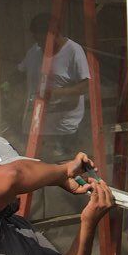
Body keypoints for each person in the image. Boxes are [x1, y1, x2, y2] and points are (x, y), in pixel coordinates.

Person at [18, 14, 91, 159]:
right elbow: (20, 72)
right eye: (36, 39)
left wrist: (57, 93)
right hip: (36, 125)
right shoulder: (35, 51)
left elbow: (85, 86)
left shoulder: (73, 51)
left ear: (55, 34)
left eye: (42, 40)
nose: (39, 44)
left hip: (63, 129)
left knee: (62, 168)